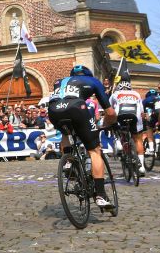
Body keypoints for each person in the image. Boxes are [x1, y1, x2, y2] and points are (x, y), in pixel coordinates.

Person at [46, 64, 116, 209]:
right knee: (94, 150)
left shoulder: (60, 81)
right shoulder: (93, 81)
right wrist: (107, 124)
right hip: (76, 107)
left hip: (53, 110)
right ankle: (101, 195)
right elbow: (110, 113)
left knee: (65, 133)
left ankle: (68, 161)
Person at [110, 79, 147, 175]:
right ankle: (142, 167)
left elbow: (109, 109)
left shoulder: (115, 94)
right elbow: (142, 111)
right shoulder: (136, 94)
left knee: (117, 127)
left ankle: (118, 142)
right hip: (135, 116)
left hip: (121, 115)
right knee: (138, 140)